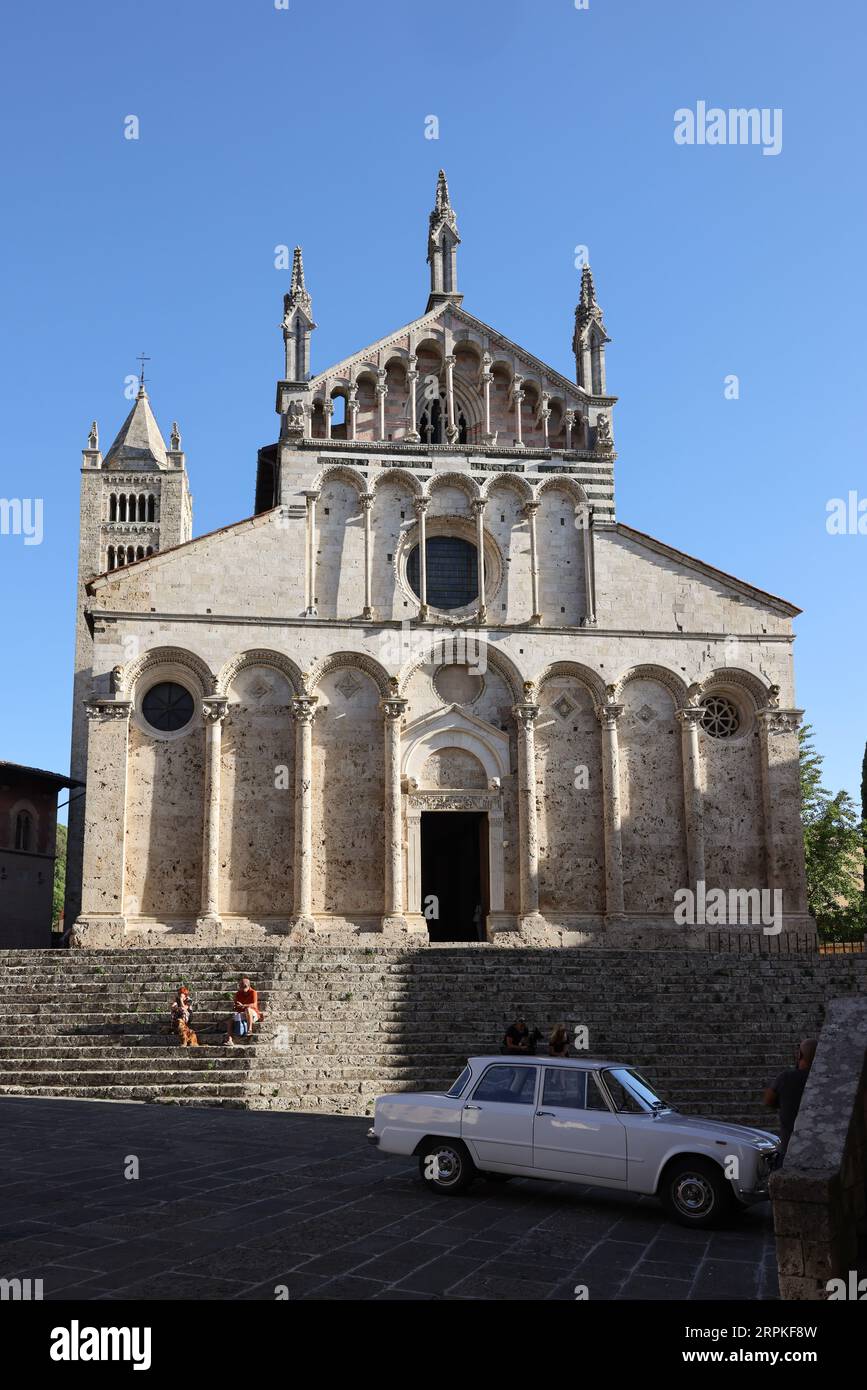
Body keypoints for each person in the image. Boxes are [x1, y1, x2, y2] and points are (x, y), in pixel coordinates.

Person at [763, 1038, 818, 1153]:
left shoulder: (785, 1077)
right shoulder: (820, 1080)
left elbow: (768, 1100)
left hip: (789, 1144)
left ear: (800, 1055)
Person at [225, 975, 263, 1046]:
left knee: (248, 1010)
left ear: (248, 986)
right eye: (241, 986)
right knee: (230, 1021)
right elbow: (237, 1007)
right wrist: (236, 1006)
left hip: (253, 1014)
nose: (243, 988)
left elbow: (254, 1005)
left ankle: (249, 1030)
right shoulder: (238, 993)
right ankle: (229, 1040)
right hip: (242, 1013)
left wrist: (243, 1005)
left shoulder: (253, 992)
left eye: (244, 986)